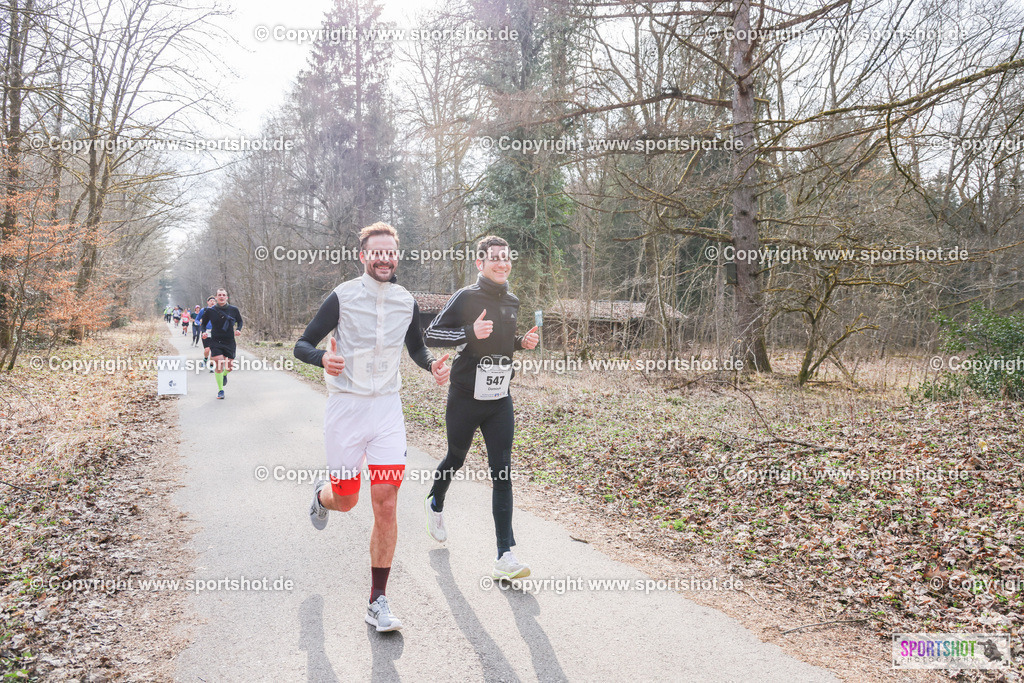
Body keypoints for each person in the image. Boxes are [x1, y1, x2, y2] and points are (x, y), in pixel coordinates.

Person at [294, 222, 450, 632]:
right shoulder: (342, 296)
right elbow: (302, 344)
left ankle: (377, 600)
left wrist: (431, 364)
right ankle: (321, 496)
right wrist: (320, 360)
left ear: (397, 256)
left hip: (386, 413)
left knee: (386, 502)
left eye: (390, 252)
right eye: (376, 253)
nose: (384, 259)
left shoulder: (406, 301)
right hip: (346, 409)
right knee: (347, 501)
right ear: (363, 256)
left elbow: (415, 347)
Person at [422, 235, 539, 581]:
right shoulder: (465, 297)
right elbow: (430, 334)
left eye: (506, 258)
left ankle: (505, 555)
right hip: (465, 396)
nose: (502, 263)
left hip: (499, 399)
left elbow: (503, 341)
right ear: (480, 263)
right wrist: (468, 332)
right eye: (495, 258)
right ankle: (435, 502)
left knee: (502, 472)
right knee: (455, 458)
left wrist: (521, 342)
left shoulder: (513, 301)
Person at [197, 289, 242, 399]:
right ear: (216, 298)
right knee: (219, 363)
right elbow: (203, 324)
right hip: (216, 340)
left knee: (229, 366)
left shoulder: (233, 309)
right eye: (219, 295)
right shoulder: (210, 311)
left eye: (223, 295)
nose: (221, 297)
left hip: (229, 340)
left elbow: (239, 321)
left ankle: (224, 374)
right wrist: (203, 332)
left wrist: (238, 329)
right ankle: (220, 390)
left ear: (227, 297)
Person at [197, 297, 216, 368]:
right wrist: (199, 323)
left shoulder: (217, 310)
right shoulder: (203, 310)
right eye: (211, 301)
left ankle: (211, 365)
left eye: (214, 301)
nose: (212, 302)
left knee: (213, 350)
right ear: (207, 302)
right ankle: (205, 359)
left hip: (215, 332)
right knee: (207, 349)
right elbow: (197, 319)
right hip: (205, 332)